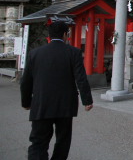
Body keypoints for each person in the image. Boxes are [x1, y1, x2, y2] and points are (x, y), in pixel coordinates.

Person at [21, 21, 93, 160]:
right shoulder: (74, 52)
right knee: (63, 141)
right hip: (65, 105)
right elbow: (81, 78)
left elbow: (26, 81)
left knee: (38, 142)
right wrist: (87, 100)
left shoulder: (34, 54)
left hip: (41, 103)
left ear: (49, 35)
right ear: (66, 35)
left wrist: (26, 102)